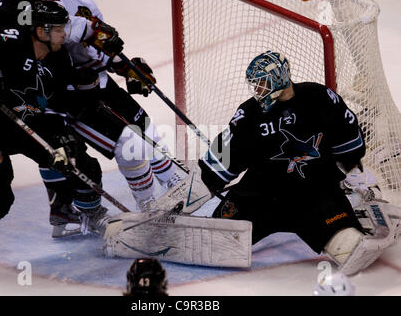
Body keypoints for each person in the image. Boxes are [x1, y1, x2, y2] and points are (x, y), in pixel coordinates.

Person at [150, 50, 399, 275]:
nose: (258, 89)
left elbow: (348, 144)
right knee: (214, 243)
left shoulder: (320, 98)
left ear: (280, 78)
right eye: (255, 84)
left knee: (350, 250)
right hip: (259, 195)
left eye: (262, 83)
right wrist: (178, 200)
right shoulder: (249, 114)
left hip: (314, 194)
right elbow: (219, 163)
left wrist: (356, 177)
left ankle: (355, 216)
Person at [0, 0, 182, 237]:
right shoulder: (24, 20)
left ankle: (71, 209)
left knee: (69, 151)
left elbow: (80, 52)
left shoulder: (59, 30)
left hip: (39, 94)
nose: (64, 32)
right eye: (59, 29)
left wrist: (121, 65)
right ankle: (133, 208)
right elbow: (37, 32)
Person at [0, 1, 104, 262]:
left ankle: (87, 217)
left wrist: (66, 128)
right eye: (58, 29)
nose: (64, 34)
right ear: (41, 31)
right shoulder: (7, 39)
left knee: (79, 160)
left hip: (27, 125)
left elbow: (62, 103)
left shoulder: (59, 57)